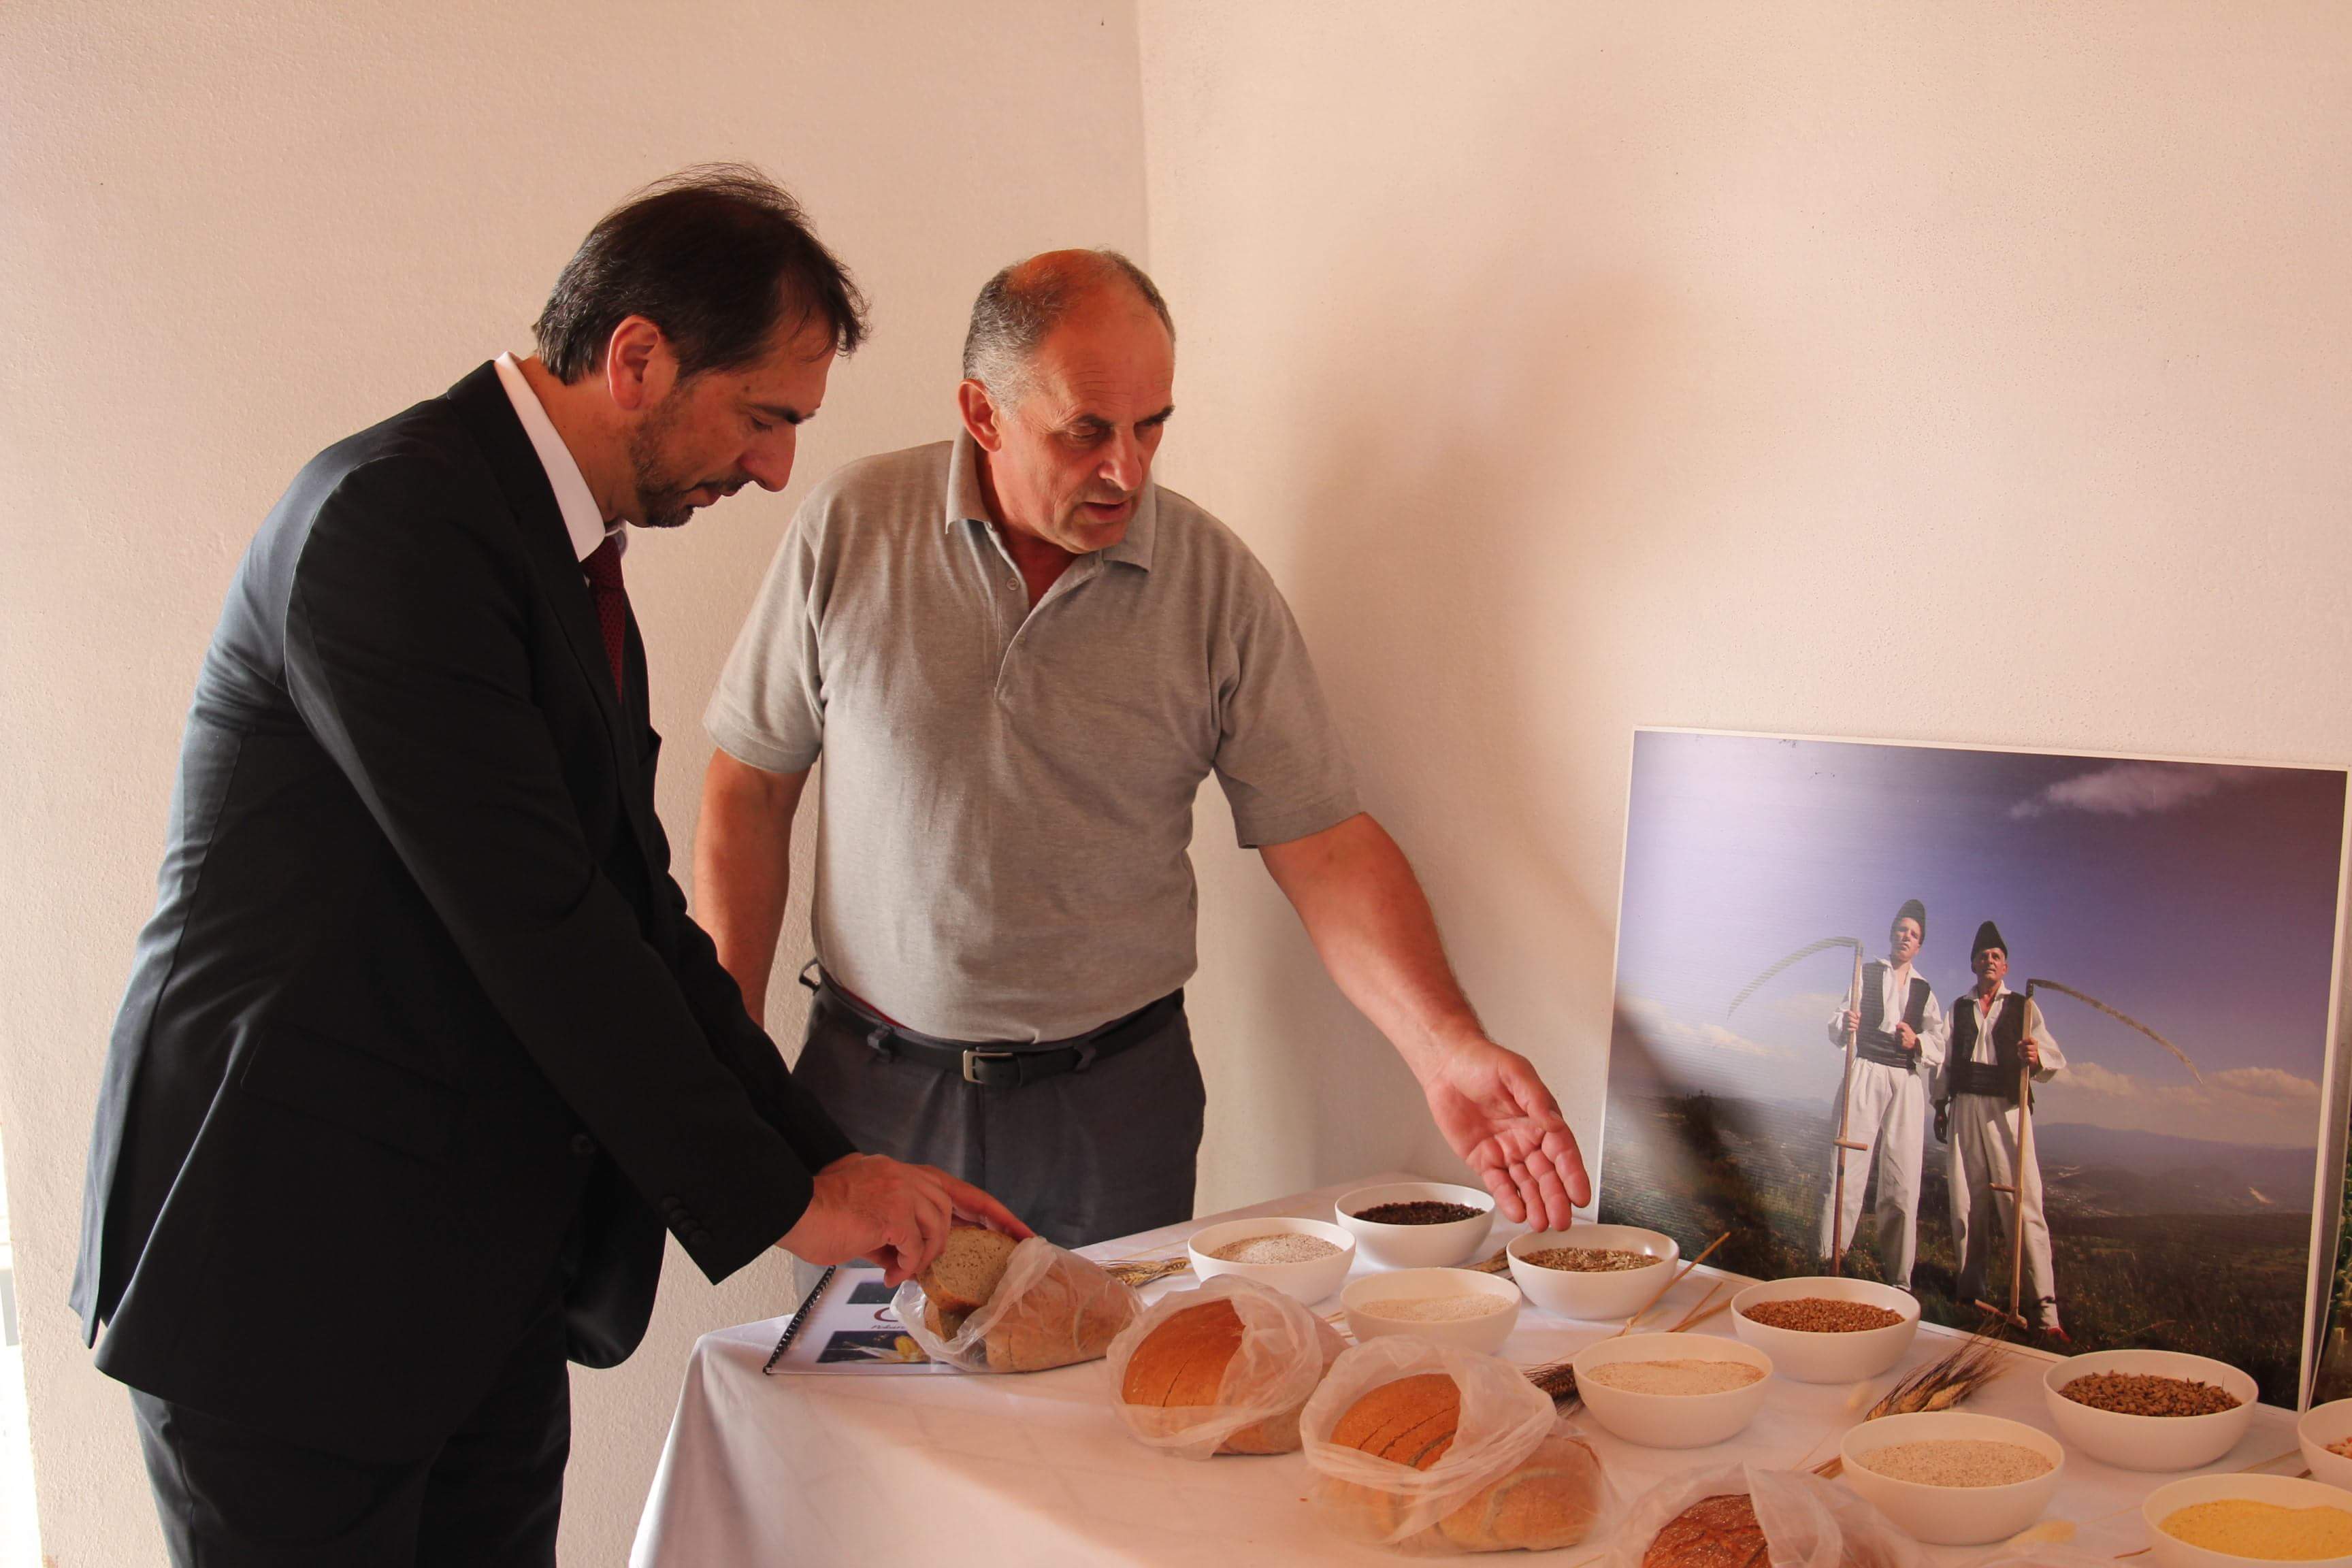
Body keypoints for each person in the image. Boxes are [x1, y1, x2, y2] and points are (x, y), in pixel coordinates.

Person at [71, 167, 1024, 1567]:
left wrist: (833, 1160)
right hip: (288, 1268)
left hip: (472, 1272)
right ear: (636, 357)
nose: (775, 469)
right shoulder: (393, 520)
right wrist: (786, 1202)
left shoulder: (552, 549)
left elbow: (637, 914)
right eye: (764, 416)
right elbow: (543, 923)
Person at [696, 248, 1589, 1247]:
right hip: (872, 1098)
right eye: (1086, 431)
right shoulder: (851, 527)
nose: (1128, 470)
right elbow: (750, 790)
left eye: (1151, 424)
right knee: (860, 1357)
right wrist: (728, 1057)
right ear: (984, 413)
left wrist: (1445, 1049)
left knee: (1113, 1354)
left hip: (1115, 1110)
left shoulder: (1215, 583)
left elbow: (1325, 847)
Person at [1936, 919, 2066, 1335]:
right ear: (1973, 964)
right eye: (1982, 956)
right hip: (1965, 1105)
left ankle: (2044, 1313)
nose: (1989, 961)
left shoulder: (2024, 1007)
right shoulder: (1958, 1007)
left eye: (1996, 956)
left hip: (2008, 1108)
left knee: (2023, 1204)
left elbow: (2052, 1055)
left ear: (2005, 967)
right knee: (1966, 1199)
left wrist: (2036, 1056)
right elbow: (1945, 1060)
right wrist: (1939, 1105)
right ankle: (1970, 1291)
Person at [1818, 899, 1946, 1287]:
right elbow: (1838, 1018)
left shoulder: (1925, 989)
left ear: (1920, 945)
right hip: (1865, 1071)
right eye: (1902, 929)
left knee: (1902, 1181)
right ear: (1892, 933)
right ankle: (1828, 1258)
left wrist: (1917, 1041)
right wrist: (1847, 1022)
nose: (1906, 937)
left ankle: (1900, 1280)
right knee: (1846, 1167)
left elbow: (1939, 1043)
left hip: (1905, 1081)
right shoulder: (1867, 972)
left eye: (1914, 934)